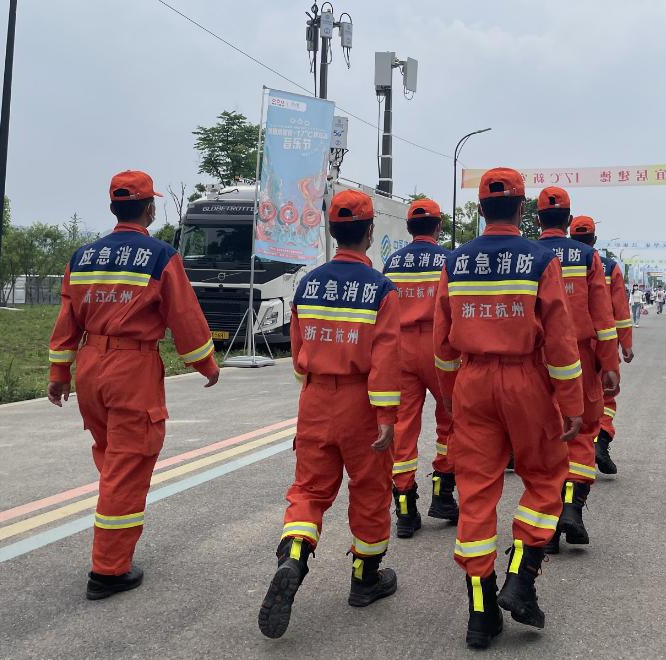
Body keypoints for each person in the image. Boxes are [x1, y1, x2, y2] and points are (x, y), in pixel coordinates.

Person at [47, 170, 220, 600]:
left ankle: (114, 531)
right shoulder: (161, 256)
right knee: (128, 465)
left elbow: (66, 320)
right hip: (131, 368)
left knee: (112, 457)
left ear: (112, 208)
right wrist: (206, 364)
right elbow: (184, 315)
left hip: (90, 365)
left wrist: (58, 373)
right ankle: (108, 570)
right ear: (149, 209)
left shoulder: (81, 257)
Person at [434, 168, 583, 649]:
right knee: (544, 477)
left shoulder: (454, 263)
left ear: (480, 210)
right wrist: (572, 403)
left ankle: (480, 614)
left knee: (476, 492)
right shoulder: (541, 260)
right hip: (526, 381)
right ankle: (521, 573)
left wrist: (452, 395)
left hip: (472, 382)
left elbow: (441, 347)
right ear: (523, 210)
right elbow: (560, 342)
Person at [259, 190, 402, 639]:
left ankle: (295, 557)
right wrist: (386, 415)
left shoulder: (308, 284)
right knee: (371, 488)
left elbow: (298, 351)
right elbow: (384, 359)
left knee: (309, 489)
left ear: (332, 232)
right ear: (370, 233)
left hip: (316, 399)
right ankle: (365, 579)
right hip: (362, 402)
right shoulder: (380, 290)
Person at [537, 193, 619, 552]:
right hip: (582, 356)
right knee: (584, 430)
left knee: (548, 433)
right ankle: (573, 506)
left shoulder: (528, 256)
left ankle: (548, 522)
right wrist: (610, 362)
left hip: (539, 356)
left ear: (538, 219)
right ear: (568, 219)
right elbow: (603, 317)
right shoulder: (589, 257)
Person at [383, 198, 457, 538]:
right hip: (438, 348)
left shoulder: (392, 262)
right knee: (450, 421)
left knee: (402, 427)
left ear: (409, 228)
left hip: (400, 350)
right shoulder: (448, 260)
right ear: (438, 226)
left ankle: (405, 509)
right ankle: (442, 493)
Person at [569, 217, 634, 475]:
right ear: (594, 240)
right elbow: (619, 309)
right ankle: (601, 441)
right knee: (606, 395)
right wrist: (625, 343)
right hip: (601, 340)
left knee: (558, 396)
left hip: (564, 340)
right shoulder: (607, 266)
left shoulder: (553, 260)